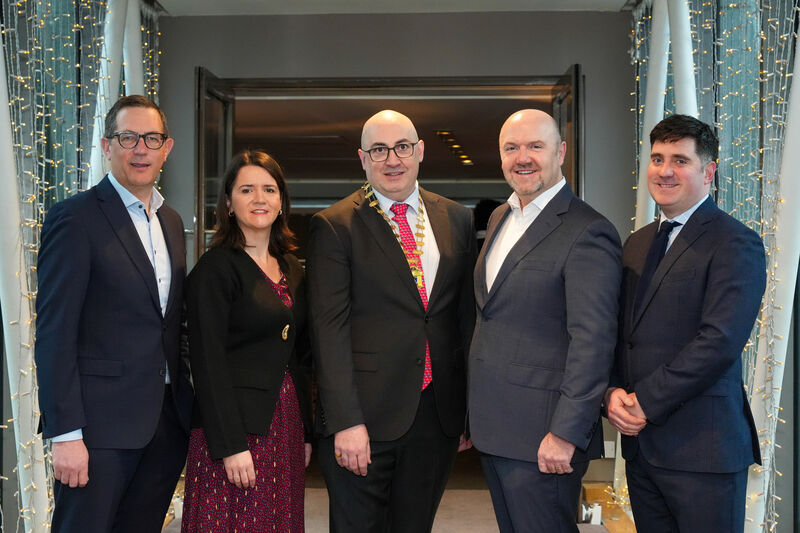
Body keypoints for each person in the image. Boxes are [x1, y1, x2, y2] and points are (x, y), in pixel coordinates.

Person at [306, 109, 476, 532]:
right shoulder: (334, 225)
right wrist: (346, 421)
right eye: (378, 150)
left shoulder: (456, 217)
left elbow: (462, 318)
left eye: (401, 147)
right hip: (363, 419)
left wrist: (465, 411)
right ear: (363, 159)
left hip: (434, 415)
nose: (392, 159)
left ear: (419, 151)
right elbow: (329, 331)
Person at [34, 95, 193, 532]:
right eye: (128, 137)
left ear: (167, 147)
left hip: (163, 427)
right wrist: (66, 434)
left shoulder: (172, 222)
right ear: (107, 146)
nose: (140, 148)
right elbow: (54, 332)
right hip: (97, 432)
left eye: (151, 138)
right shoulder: (75, 218)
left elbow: (170, 322)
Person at [606, 114, 765, 533]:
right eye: (657, 159)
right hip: (642, 451)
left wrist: (645, 402)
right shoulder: (637, 244)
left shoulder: (735, 242)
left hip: (703, 452)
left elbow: (719, 342)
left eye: (680, 159)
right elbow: (622, 335)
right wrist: (611, 394)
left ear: (708, 171)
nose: (665, 170)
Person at [468, 109, 622, 533]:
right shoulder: (500, 218)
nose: (523, 157)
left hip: (545, 435)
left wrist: (566, 434)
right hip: (496, 428)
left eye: (536, 146)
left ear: (561, 152)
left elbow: (592, 342)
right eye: (512, 148)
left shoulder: (588, 230)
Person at [180, 150, 313, 532]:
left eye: (269, 189)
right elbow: (207, 364)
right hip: (234, 432)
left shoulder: (291, 268)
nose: (260, 199)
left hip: (284, 425)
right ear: (228, 202)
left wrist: (305, 430)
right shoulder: (215, 269)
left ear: (282, 201)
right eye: (247, 190)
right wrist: (230, 446)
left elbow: (299, 356)